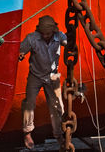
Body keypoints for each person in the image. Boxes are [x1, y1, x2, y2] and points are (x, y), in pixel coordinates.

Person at [19, 15, 68, 149]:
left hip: (52, 76)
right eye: (44, 33)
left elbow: (66, 42)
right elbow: (21, 50)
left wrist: (66, 44)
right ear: (39, 31)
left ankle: (59, 136)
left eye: (49, 33)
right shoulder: (32, 38)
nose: (46, 36)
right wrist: (21, 54)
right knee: (29, 103)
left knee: (57, 106)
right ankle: (27, 132)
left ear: (54, 30)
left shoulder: (59, 36)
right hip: (35, 75)